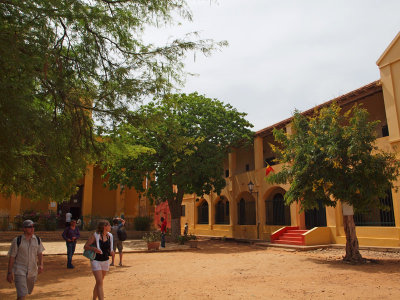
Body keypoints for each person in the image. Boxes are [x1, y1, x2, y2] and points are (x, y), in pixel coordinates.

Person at [6, 219, 45, 300]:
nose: (32, 228)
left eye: (33, 226)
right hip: (19, 270)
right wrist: (9, 272)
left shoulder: (37, 240)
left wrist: (41, 265)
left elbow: (40, 253)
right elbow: (12, 257)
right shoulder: (17, 241)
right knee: (22, 293)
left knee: (24, 292)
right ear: (24, 229)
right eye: (30, 227)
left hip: (32, 271)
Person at [84, 220, 114, 300]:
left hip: (105, 260)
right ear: (105, 227)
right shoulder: (95, 235)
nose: (110, 226)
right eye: (109, 225)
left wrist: (112, 252)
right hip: (96, 260)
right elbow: (86, 246)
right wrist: (93, 248)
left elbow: (110, 249)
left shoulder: (110, 236)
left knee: (99, 282)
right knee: (100, 282)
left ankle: (94, 298)